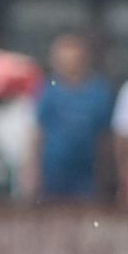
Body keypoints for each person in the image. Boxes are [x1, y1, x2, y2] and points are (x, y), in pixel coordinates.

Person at [31, 32, 113, 204]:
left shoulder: (99, 92)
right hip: (53, 173)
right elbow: (38, 133)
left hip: (87, 175)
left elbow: (105, 138)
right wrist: (32, 173)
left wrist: (106, 175)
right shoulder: (48, 91)